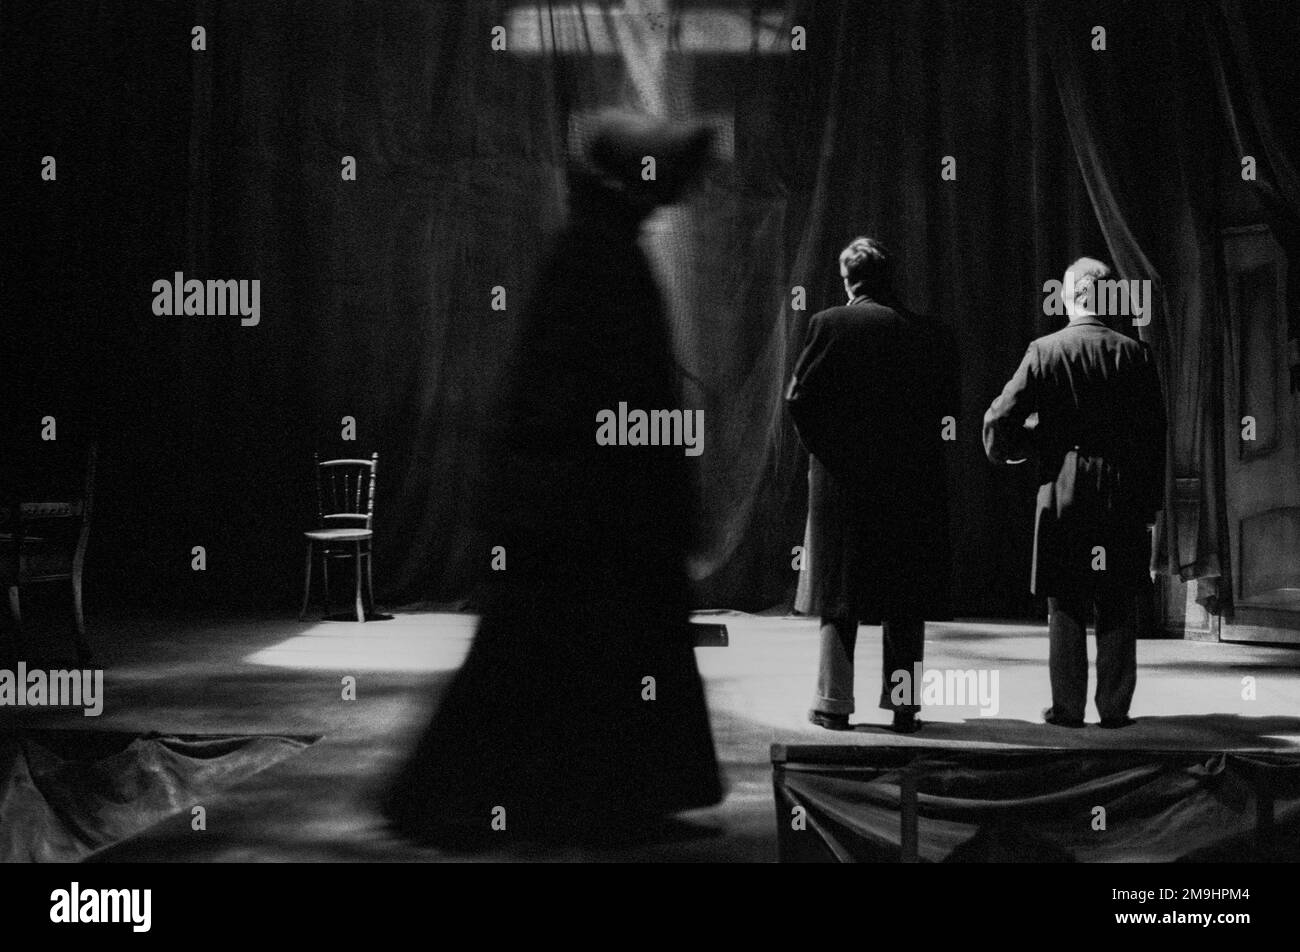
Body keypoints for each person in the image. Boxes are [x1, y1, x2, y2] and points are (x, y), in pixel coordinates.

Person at [383, 111, 722, 845]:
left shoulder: (600, 249)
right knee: (557, 656)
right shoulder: (598, 257)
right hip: (581, 509)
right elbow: (595, 397)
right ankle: (499, 799)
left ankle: (578, 799)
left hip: (575, 505)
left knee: (562, 656)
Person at [983, 257, 1166, 728]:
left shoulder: (1044, 350)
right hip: (1121, 488)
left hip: (1063, 485)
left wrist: (1024, 448)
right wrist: (1149, 506)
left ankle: (1067, 707)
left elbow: (998, 420)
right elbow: (1152, 437)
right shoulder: (1136, 354)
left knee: (1065, 598)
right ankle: (1114, 708)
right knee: (1118, 596)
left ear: (1069, 297)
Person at [787, 237, 958, 734]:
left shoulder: (829, 325)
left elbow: (799, 399)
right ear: (890, 277)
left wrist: (824, 448)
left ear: (848, 280)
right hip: (911, 485)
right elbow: (948, 411)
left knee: (840, 597)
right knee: (905, 600)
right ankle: (905, 708)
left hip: (844, 484)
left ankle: (833, 703)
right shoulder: (932, 334)